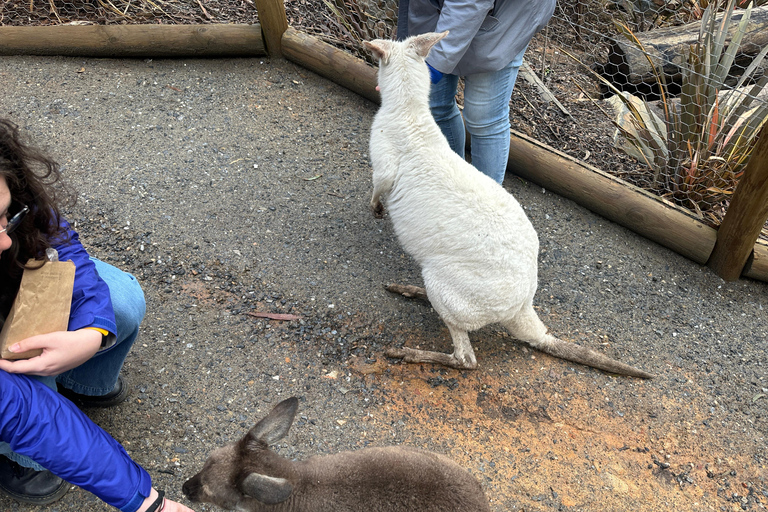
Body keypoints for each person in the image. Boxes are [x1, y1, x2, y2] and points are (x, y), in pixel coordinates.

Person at [0, 118, 193, 511]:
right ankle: (21, 458)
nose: (5, 240)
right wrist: (149, 503)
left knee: (120, 301)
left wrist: (90, 334)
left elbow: (63, 247)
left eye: (5, 216)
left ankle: (83, 382)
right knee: (29, 388)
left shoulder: (18, 203)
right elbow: (20, 410)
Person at [396, 0, 556, 184]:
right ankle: (452, 186)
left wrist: (429, 67)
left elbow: (468, 3)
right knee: (434, 104)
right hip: (441, 10)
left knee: (484, 118)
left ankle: (487, 208)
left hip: (507, 13)